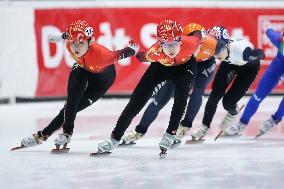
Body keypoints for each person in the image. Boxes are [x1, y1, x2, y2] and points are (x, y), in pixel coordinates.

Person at [16, 20, 139, 150]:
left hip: (102, 81)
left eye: (81, 43)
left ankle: (43, 135)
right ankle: (61, 133)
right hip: (81, 69)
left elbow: (120, 54)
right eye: (74, 42)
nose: (76, 47)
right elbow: (70, 36)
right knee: (70, 103)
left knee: (75, 107)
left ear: (90, 42)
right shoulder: (70, 44)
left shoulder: (102, 55)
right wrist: (61, 36)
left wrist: (132, 50)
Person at [96, 19, 202, 154]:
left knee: (181, 99)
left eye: (174, 43)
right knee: (136, 101)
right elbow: (141, 57)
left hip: (185, 67)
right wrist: (135, 53)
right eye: (166, 44)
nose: (171, 48)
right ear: (159, 42)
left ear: (180, 39)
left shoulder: (192, 42)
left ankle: (171, 133)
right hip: (161, 67)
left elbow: (200, 35)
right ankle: (115, 138)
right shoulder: (153, 52)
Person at [120, 23, 222, 144]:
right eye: (196, 41)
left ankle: (184, 127)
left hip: (204, 65)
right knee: (161, 98)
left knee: (198, 90)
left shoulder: (211, 44)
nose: (198, 45)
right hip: (182, 64)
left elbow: (227, 52)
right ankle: (139, 131)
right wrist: (137, 53)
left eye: (201, 42)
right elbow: (146, 56)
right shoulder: (177, 45)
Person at [191, 27, 265, 140]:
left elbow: (261, 53)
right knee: (215, 95)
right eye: (211, 45)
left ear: (225, 43)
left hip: (249, 69)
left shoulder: (240, 51)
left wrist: (255, 56)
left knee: (228, 102)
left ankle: (233, 112)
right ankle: (204, 127)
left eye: (217, 47)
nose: (214, 52)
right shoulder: (215, 48)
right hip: (229, 63)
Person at [225, 28, 284, 136]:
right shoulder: (278, 40)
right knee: (258, 95)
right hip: (278, 65)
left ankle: (275, 119)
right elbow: (269, 31)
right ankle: (242, 123)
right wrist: (271, 31)